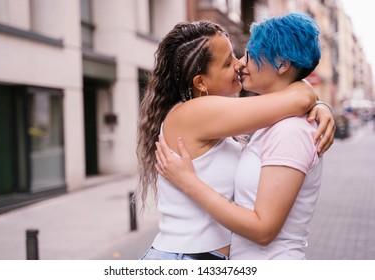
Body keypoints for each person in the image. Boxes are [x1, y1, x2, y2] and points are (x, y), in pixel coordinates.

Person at [137, 19, 334, 260]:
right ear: (201, 82)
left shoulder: (218, 121)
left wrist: (320, 105)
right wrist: (312, 97)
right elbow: (298, 99)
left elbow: (294, 103)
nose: (240, 64)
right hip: (184, 257)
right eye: (228, 62)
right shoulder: (193, 114)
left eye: (240, 56)